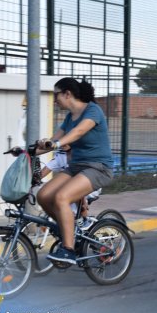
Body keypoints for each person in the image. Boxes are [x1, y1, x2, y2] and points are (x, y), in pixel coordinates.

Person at [36, 78, 113, 265]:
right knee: (44, 195)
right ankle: (67, 229)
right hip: (77, 166)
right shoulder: (70, 117)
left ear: (67, 93)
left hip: (98, 167)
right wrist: (27, 151)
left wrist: (56, 144)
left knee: (61, 197)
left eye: (56, 95)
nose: (55, 100)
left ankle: (68, 250)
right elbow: (52, 140)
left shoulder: (93, 110)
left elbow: (78, 132)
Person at [40, 144, 100, 227]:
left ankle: (85, 221)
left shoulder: (80, 154)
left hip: (90, 185)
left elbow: (80, 182)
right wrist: (32, 181)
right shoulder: (61, 155)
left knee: (70, 198)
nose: (63, 143)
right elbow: (44, 171)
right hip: (74, 186)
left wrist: (83, 202)